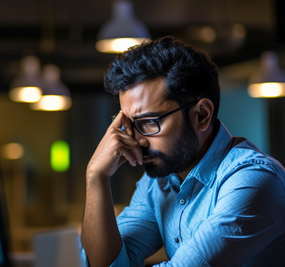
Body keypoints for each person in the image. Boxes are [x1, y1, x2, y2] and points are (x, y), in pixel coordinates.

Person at [79, 36, 285, 267]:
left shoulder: (255, 180)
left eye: (148, 122)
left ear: (202, 115)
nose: (136, 140)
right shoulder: (158, 183)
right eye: (129, 124)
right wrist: (96, 176)